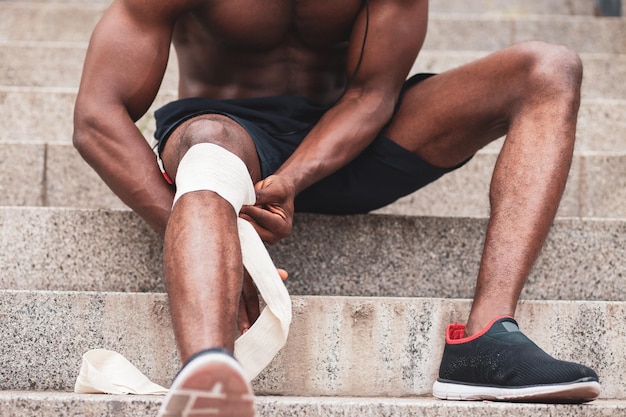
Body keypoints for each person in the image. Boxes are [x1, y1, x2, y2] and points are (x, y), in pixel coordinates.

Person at [73, 0, 601, 415]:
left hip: (351, 138)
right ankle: (211, 383)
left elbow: (371, 94)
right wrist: (220, 246)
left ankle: (487, 342)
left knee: (548, 68)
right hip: (232, 137)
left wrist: (294, 179)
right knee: (208, 146)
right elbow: (97, 115)